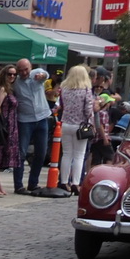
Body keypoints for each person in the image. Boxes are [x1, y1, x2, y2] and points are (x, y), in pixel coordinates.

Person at [56, 63, 97, 196]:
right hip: (81, 125)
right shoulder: (86, 90)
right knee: (79, 156)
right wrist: (91, 122)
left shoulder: (64, 89)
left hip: (66, 124)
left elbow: (61, 105)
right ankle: (75, 183)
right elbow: (88, 110)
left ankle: (63, 181)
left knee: (67, 154)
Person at [13, 60, 53, 193]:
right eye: (21, 70)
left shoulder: (36, 75)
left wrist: (42, 76)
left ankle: (33, 183)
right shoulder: (16, 82)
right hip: (25, 120)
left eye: (26, 69)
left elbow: (45, 74)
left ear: (30, 68)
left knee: (41, 152)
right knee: (21, 152)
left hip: (42, 117)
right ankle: (18, 185)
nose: (24, 73)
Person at [0, 64, 21, 197]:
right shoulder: (1, 89)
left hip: (10, 126)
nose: (12, 76)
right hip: (3, 126)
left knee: (0, 157)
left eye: (14, 74)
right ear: (3, 74)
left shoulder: (9, 89)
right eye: (9, 74)